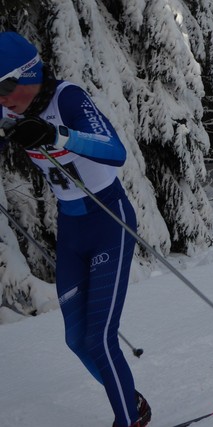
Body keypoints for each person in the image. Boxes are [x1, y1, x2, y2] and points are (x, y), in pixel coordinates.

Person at [0, 32, 150, 427]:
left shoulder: (67, 97)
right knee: (77, 340)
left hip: (109, 219)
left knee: (100, 338)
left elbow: (114, 150)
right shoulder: (9, 109)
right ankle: (130, 402)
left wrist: (55, 134)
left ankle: (129, 421)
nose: (2, 98)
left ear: (28, 74)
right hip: (71, 229)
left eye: (5, 87)